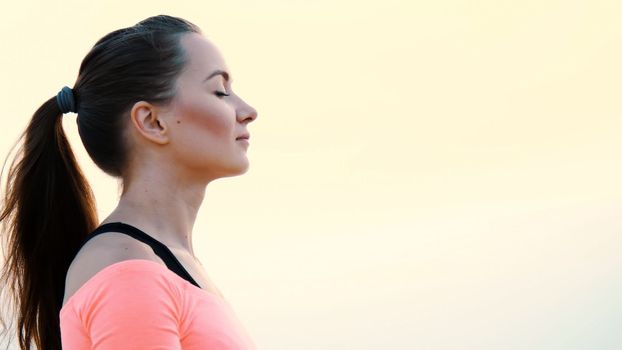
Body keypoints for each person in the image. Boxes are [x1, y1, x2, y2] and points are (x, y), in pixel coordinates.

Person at [0, 14, 258, 350]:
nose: (248, 110)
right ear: (151, 121)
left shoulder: (161, 265)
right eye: (220, 91)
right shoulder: (129, 271)